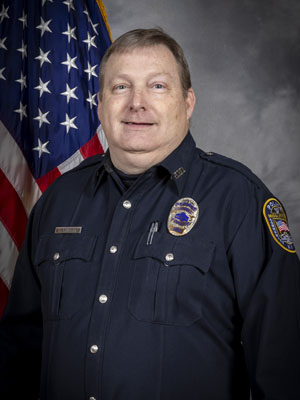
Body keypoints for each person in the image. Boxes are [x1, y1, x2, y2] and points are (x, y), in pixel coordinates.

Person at [0, 28, 299, 400]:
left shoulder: (239, 200)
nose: (136, 103)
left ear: (187, 102)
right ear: (100, 103)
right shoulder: (60, 199)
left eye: (157, 86)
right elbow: (19, 350)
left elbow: (283, 364)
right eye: (120, 87)